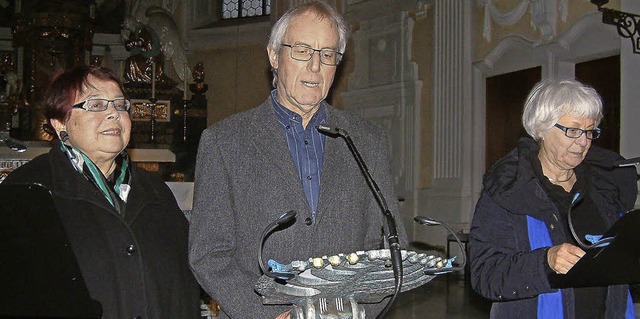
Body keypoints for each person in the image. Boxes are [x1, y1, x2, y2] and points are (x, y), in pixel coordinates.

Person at [188, 2, 408, 318]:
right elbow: (209, 253)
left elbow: (390, 246)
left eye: (328, 55)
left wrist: (355, 311)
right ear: (274, 56)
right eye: (302, 51)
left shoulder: (366, 140)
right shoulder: (225, 141)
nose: (315, 66)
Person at [3, 65, 201, 318]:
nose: (113, 114)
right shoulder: (28, 191)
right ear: (60, 123)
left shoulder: (155, 191)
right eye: (96, 105)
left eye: (120, 105)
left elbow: (182, 288)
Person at [470, 79, 637, 318]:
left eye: (590, 131)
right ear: (541, 128)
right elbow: (485, 275)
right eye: (573, 130)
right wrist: (544, 262)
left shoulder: (604, 187)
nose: (583, 142)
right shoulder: (508, 191)